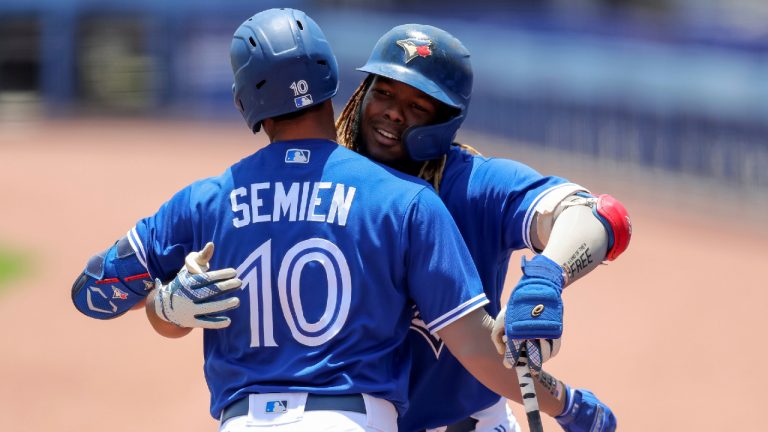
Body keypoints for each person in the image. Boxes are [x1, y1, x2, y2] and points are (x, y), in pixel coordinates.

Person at [71, 9, 573, 431]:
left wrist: (163, 306)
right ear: (336, 80)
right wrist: (571, 405)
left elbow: (93, 292)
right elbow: (481, 349)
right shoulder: (405, 201)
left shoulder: (208, 200)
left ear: (245, 101)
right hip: (356, 419)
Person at [335, 24, 632, 432]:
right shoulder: (325, 183)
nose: (393, 112)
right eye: (384, 92)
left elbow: (597, 216)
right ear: (362, 93)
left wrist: (547, 276)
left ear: (445, 121)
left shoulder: (475, 185)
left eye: (418, 106)